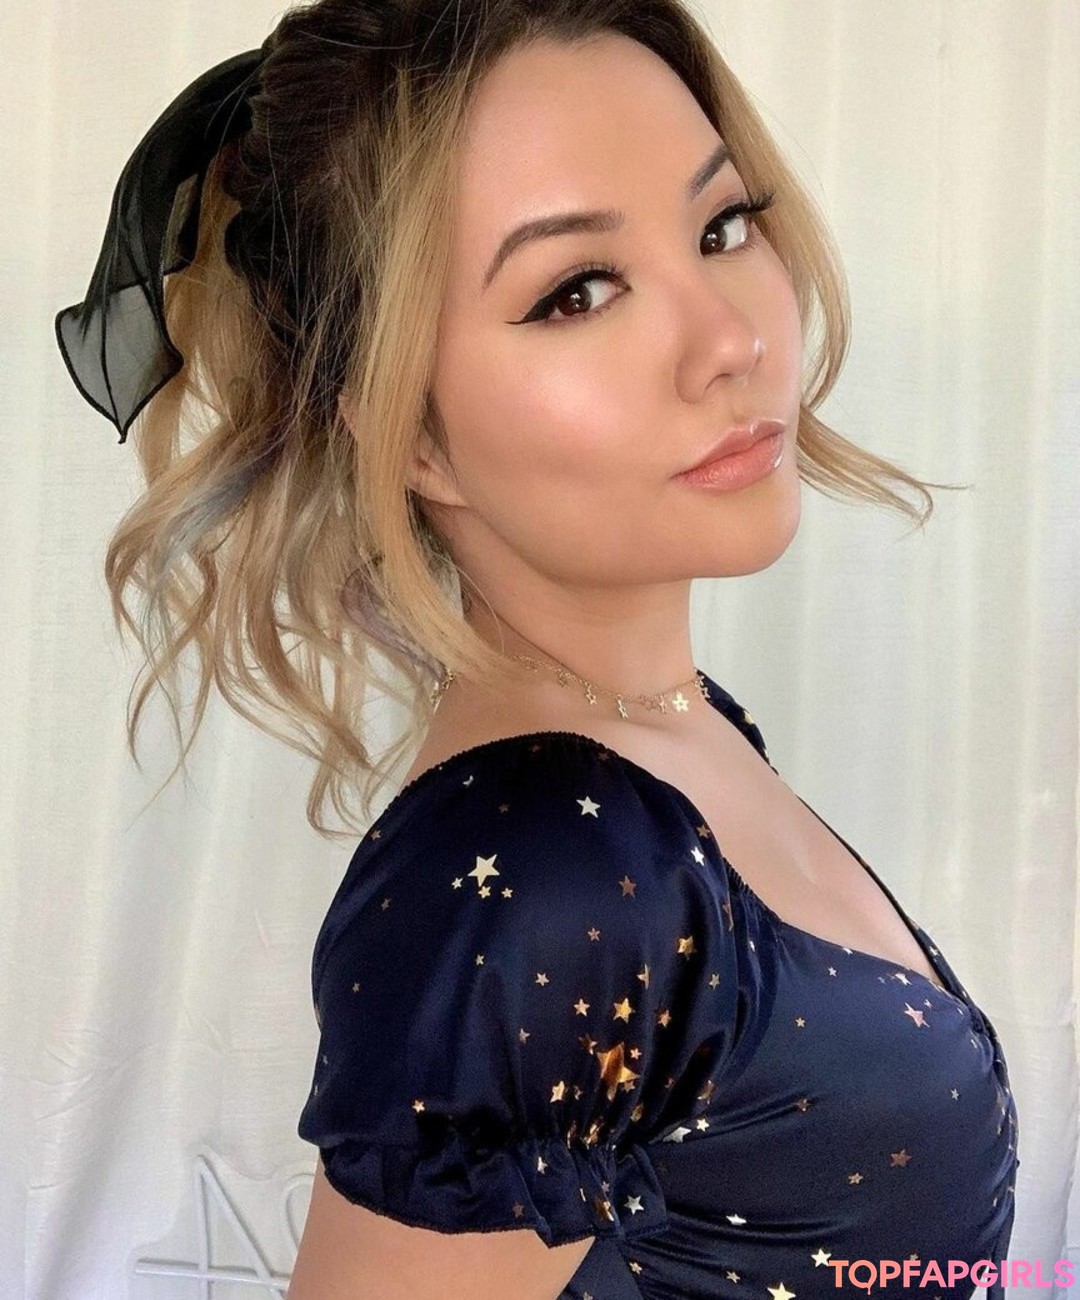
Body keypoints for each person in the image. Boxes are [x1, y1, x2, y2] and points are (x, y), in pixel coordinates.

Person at [54, 1, 1018, 1296]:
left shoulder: (679, 735)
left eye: (723, 226)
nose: (732, 341)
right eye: (577, 292)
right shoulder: (544, 869)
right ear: (407, 431)